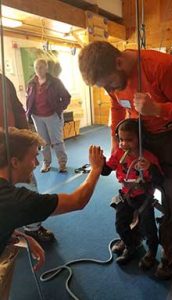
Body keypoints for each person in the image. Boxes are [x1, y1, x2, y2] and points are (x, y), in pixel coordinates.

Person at [78, 41, 172, 279]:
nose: (110, 88)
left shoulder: (162, 67)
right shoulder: (110, 79)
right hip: (138, 136)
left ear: (119, 62)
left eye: (110, 82)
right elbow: (115, 106)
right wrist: (115, 142)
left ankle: (171, 251)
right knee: (134, 191)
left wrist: (158, 109)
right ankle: (133, 239)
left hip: (170, 138)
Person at [0, 127, 104, 300]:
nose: (37, 163)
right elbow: (77, 201)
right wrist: (95, 169)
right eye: (34, 157)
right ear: (14, 162)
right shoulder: (19, 201)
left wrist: (21, 236)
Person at [0, 74, 55, 242]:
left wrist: (28, 142)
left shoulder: (3, 80)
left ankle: (32, 227)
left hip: (14, 145)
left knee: (28, 182)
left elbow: (18, 110)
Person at [101, 119, 163, 268]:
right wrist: (99, 162)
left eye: (129, 140)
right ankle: (130, 245)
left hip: (144, 197)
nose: (124, 144)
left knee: (148, 227)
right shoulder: (118, 154)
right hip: (126, 195)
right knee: (120, 224)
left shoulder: (148, 157)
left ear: (140, 139)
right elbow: (105, 171)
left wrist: (150, 167)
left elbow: (160, 179)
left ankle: (151, 253)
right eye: (121, 139)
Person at [26, 58, 71, 173]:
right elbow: (29, 98)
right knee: (43, 142)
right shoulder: (31, 83)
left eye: (41, 67)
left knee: (57, 141)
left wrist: (59, 109)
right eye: (36, 67)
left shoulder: (55, 82)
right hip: (37, 117)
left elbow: (66, 97)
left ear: (46, 68)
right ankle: (46, 163)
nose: (38, 70)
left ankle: (62, 163)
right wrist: (29, 113)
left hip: (52, 116)